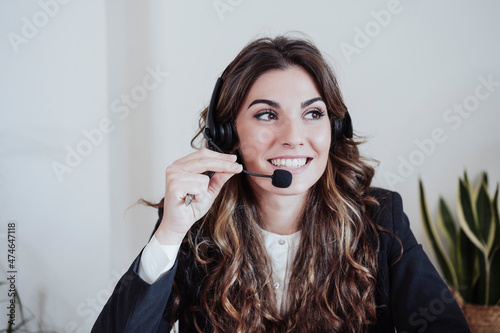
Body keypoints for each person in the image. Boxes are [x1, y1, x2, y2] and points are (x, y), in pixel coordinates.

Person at [92, 35, 470, 332]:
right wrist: (170, 235)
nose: (293, 137)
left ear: (334, 128)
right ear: (226, 133)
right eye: (267, 114)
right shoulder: (194, 227)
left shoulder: (379, 218)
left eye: (313, 113)